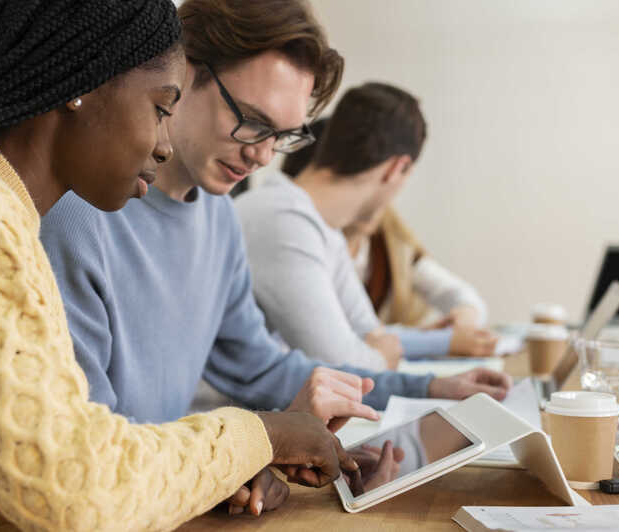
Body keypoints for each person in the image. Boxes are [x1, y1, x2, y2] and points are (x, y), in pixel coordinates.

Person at [0, 2, 358, 530]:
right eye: (161, 109)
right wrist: (261, 437)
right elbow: (74, 490)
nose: (163, 145)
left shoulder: (0, 211)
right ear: (81, 85)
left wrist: (236, 461)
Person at [40, 0, 510, 466]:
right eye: (252, 122)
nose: (264, 156)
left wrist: (424, 388)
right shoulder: (77, 215)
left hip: (179, 485)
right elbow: (93, 446)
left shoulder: (218, 217)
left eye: (282, 136)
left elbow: (262, 369)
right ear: (181, 74)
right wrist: (244, 458)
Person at [236, 83, 498, 376]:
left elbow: (372, 335)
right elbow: (343, 365)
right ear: (396, 168)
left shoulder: (324, 229)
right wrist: (378, 354)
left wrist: (378, 350)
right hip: (215, 417)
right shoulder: (283, 220)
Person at [283, 117, 492, 340]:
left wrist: (465, 317)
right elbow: (336, 337)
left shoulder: (389, 243)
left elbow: (462, 296)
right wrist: (431, 341)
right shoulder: (302, 244)